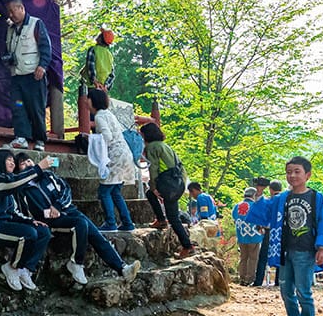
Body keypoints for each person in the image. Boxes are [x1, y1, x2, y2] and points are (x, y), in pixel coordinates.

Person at [19, 154, 141, 286]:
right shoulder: (23, 189)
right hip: (50, 220)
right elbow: (28, 210)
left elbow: (65, 190)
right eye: (23, 164)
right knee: (81, 223)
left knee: (96, 236)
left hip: (69, 211)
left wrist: (58, 206)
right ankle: (76, 263)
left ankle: (122, 269)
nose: (28, 164)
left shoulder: (48, 176)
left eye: (29, 160)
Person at [258, 157, 323, 316]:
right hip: (284, 250)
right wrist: (260, 192)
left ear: (307, 175)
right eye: (289, 172)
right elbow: (264, 211)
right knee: (286, 290)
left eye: (297, 171)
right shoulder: (282, 198)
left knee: (304, 290)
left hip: (305, 250)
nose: (292, 175)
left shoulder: (315, 197)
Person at [0, 150, 49, 291]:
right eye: (8, 159)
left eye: (13, 161)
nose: (12, 162)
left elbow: (13, 212)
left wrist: (30, 221)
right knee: (28, 234)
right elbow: (13, 183)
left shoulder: (9, 186)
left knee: (43, 231)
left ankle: (26, 269)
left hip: (5, 224)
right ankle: (12, 267)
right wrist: (38, 168)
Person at [140, 122, 194, 256]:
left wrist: (154, 187)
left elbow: (153, 168)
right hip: (178, 183)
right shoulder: (165, 146)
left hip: (168, 184)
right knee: (174, 216)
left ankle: (187, 246)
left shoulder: (152, 147)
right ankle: (162, 221)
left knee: (152, 196)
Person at [3, 0, 52, 149]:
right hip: (17, 76)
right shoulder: (10, 29)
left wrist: (42, 66)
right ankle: (21, 137)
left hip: (34, 74)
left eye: (13, 11)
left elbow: (46, 47)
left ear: (21, 8)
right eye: (9, 12)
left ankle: (39, 140)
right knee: (18, 107)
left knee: (36, 107)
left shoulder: (36, 24)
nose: (11, 15)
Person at [89, 89, 137, 230]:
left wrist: (93, 141)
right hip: (125, 154)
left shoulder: (99, 116)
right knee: (115, 191)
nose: (86, 102)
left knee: (104, 191)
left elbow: (107, 136)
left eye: (88, 98)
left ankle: (110, 222)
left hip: (115, 155)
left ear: (93, 101)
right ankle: (127, 222)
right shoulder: (109, 114)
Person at [232, 186, 263, 285]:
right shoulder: (255, 206)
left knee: (243, 257)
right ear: (253, 195)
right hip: (254, 236)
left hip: (241, 236)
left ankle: (242, 278)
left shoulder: (237, 206)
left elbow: (234, 219)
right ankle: (249, 278)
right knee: (253, 258)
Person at [251, 177, 274, 287]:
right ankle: (280, 281)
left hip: (268, 231)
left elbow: (258, 209)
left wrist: (259, 190)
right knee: (281, 255)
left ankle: (258, 281)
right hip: (282, 232)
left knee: (263, 257)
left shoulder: (268, 201)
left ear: (270, 190)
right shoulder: (285, 199)